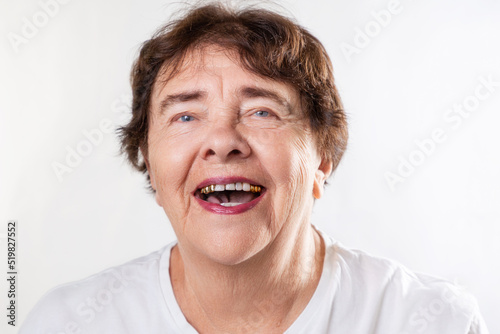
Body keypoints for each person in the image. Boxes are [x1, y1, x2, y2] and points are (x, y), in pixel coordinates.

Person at [21, 2, 489, 333]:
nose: (222, 142)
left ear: (322, 158)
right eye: (185, 115)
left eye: (261, 111)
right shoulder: (66, 323)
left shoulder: (432, 321)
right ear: (150, 165)